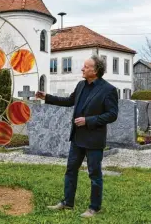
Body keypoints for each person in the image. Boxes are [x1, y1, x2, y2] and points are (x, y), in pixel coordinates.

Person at [35, 55, 118, 218]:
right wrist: (47, 97)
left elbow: (112, 115)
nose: (82, 69)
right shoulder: (81, 85)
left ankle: (94, 207)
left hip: (94, 140)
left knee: (94, 174)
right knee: (71, 170)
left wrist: (88, 120)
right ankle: (67, 202)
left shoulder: (108, 90)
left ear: (95, 71)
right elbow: (69, 101)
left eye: (86, 67)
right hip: (77, 138)